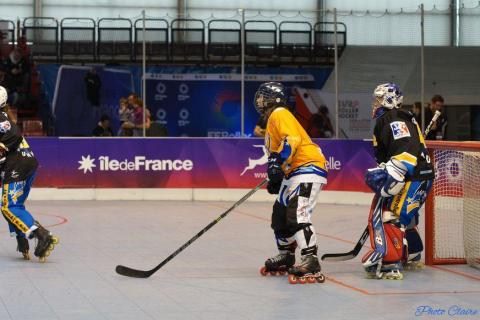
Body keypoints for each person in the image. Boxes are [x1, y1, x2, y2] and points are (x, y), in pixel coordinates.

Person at [255, 82, 328, 284]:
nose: (259, 101)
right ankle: (286, 254)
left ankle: (310, 258)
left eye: (263, 96)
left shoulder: (279, 112)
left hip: (307, 167)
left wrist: (276, 161)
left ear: (273, 99)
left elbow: (292, 139)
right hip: (293, 172)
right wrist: (276, 175)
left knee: (297, 213)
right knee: (279, 215)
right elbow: (278, 154)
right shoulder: (271, 120)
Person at [362, 83, 434, 280]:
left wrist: (394, 171)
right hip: (423, 175)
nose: (375, 103)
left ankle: (390, 262)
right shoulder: (400, 117)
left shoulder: (392, 118)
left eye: (378, 99)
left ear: (389, 99)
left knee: (390, 215)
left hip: (412, 175)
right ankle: (411, 253)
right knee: (406, 215)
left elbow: (405, 147)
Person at [0, 86, 59, 261]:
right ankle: (23, 239)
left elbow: (15, 134)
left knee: (8, 207)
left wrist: (2, 147)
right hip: (26, 165)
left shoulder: (1, 117)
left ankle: (42, 235)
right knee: (13, 206)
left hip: (18, 166)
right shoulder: (4, 116)